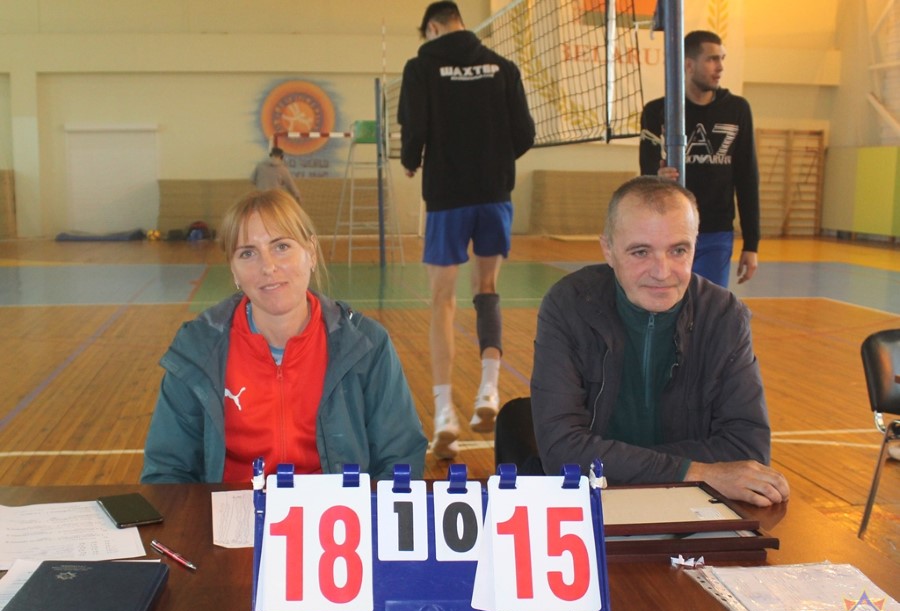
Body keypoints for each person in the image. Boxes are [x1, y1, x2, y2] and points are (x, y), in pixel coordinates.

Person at [530, 176, 789, 507]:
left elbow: (748, 449)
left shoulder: (724, 316)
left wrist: (614, 459)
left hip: (691, 509)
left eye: (678, 250)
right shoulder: (569, 305)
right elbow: (561, 451)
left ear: (695, 246)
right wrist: (694, 471)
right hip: (594, 504)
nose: (662, 272)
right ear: (608, 249)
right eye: (641, 252)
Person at [141, 189, 427, 483]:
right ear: (234, 271)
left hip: (338, 511)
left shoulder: (366, 345)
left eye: (281, 246)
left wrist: (362, 512)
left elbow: (400, 457)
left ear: (311, 253)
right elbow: (167, 471)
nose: (268, 267)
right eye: (248, 253)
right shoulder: (198, 349)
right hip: (231, 509)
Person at [398, 1, 535, 459]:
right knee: (487, 289)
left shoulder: (421, 66)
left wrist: (411, 160)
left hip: (447, 197)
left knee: (442, 299)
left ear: (434, 28)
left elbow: (414, 125)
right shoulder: (503, 67)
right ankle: (488, 391)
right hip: (494, 194)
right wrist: (491, 161)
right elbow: (525, 133)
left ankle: (443, 414)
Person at [639, 30, 760, 288]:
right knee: (667, 300)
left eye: (722, 58)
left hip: (716, 231)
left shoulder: (737, 109)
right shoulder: (656, 111)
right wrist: (656, 178)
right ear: (689, 64)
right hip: (668, 230)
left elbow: (747, 177)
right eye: (712, 59)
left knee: (707, 304)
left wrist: (752, 243)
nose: (720, 67)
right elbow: (646, 170)